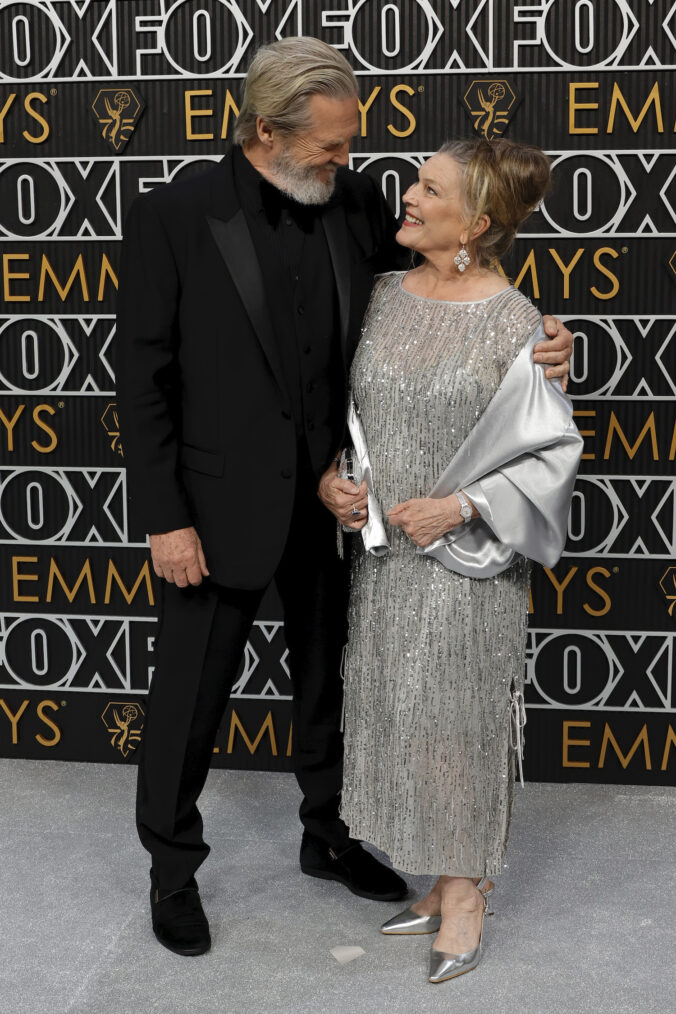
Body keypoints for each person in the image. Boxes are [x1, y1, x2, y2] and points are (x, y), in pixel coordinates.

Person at [115, 37, 574, 957]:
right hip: (214, 508)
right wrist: (165, 515)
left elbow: (452, 287)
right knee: (187, 701)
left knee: (331, 687)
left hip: (339, 509)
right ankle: (173, 872)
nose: (350, 161)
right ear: (265, 131)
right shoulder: (175, 214)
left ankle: (328, 838)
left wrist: (547, 341)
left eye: (351, 141)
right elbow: (143, 376)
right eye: (329, 145)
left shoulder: (355, 202)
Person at [330, 139, 583, 984]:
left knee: (462, 724)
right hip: (383, 559)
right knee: (406, 716)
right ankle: (443, 878)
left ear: (476, 223)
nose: (406, 196)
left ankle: (469, 891)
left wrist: (461, 506)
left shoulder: (517, 324)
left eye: (428, 189)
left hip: (465, 561)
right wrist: (340, 480)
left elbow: (549, 456)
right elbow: (354, 412)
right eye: (413, 180)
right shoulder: (378, 295)